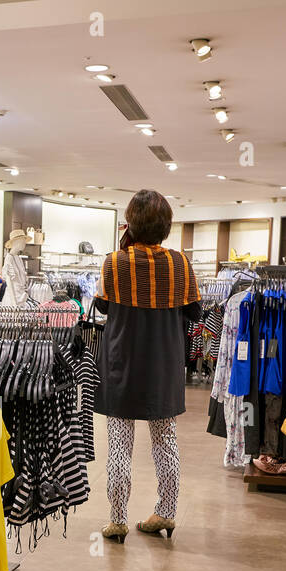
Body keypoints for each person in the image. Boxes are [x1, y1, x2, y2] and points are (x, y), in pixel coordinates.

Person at [93, 189, 200, 542]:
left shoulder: (113, 262)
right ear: (166, 225)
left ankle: (117, 518)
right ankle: (166, 513)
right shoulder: (181, 264)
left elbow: (104, 309)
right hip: (164, 366)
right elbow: (195, 312)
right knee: (165, 441)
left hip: (121, 364)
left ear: (132, 223)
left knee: (120, 444)